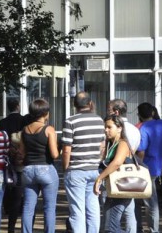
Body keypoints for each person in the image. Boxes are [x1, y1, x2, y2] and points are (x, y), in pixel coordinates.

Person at [62, 92, 104, 233]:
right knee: (93, 207)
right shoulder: (99, 120)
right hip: (94, 170)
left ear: (74, 105)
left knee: (77, 210)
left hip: (76, 170)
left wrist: (66, 167)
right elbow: (102, 146)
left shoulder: (70, 121)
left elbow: (67, 149)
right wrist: (97, 161)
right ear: (90, 103)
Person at [19, 98, 59, 233]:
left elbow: (21, 153)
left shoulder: (25, 130)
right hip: (46, 168)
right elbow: (54, 154)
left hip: (28, 170)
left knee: (28, 207)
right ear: (45, 113)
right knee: (49, 207)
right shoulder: (49, 129)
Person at [94, 115, 135, 233]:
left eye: (109, 127)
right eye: (105, 127)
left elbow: (117, 163)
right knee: (109, 227)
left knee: (111, 228)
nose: (106, 130)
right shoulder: (110, 144)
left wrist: (99, 178)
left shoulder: (122, 143)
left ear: (119, 128)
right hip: (113, 190)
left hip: (121, 190)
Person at [135, 103, 162, 233]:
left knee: (146, 201)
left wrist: (137, 166)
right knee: (149, 200)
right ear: (153, 112)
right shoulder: (161, 124)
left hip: (145, 167)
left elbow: (141, 151)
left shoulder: (143, 129)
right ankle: (150, 228)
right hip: (157, 166)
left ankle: (147, 229)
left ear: (139, 115)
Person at [106, 99, 139, 229]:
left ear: (116, 112)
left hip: (117, 175)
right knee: (129, 210)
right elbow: (135, 151)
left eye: (109, 110)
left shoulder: (120, 132)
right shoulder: (135, 129)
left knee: (113, 216)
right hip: (129, 175)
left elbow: (119, 158)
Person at [0, 98, 26, 233]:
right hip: (21, 158)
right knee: (19, 186)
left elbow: (3, 140)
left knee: (8, 183)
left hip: (8, 158)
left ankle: (7, 206)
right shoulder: (23, 120)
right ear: (17, 105)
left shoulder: (3, 122)